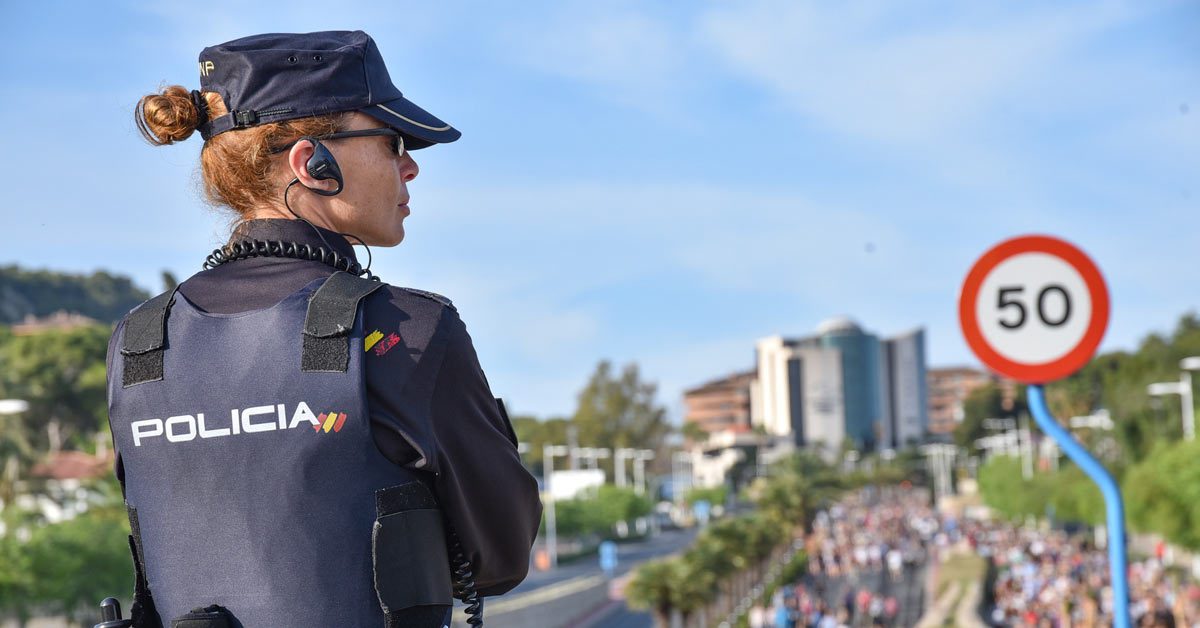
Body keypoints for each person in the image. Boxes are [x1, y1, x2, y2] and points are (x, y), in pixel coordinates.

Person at [105, 30, 541, 628]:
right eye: (391, 142)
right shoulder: (408, 329)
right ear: (312, 162)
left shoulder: (138, 342)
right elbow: (500, 555)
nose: (410, 166)